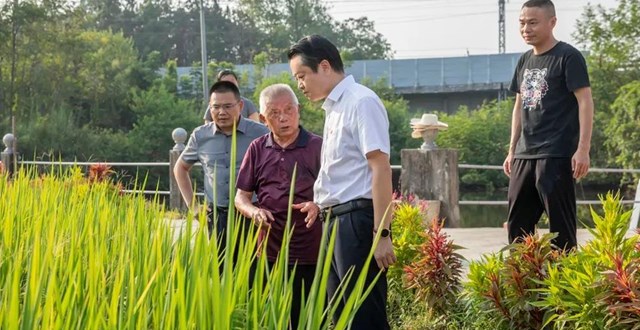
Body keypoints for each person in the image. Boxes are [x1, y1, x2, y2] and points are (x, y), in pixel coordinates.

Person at [288, 35, 396, 330]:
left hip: (357, 223)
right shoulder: (335, 108)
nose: (300, 84)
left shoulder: (361, 102)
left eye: (302, 76)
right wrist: (319, 202)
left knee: (364, 315)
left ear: (324, 66)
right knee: (341, 314)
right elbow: (345, 172)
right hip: (334, 221)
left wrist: (382, 234)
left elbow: (381, 168)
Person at [503, 0, 594, 252]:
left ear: (552, 22)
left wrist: (583, 149)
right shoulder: (523, 61)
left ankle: (562, 287)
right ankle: (522, 285)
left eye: (533, 22)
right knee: (517, 228)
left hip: (556, 153)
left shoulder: (568, 56)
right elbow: (518, 108)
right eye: (522, 23)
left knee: (560, 231)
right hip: (524, 154)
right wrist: (512, 150)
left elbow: (585, 102)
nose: (526, 29)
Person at [235, 83, 323, 329]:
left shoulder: (318, 147)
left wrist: (318, 205)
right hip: (269, 249)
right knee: (273, 317)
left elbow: (337, 191)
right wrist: (254, 211)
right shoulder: (257, 148)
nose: (283, 117)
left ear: (299, 110)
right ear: (263, 119)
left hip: (310, 249)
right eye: (274, 113)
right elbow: (241, 197)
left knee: (309, 318)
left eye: (289, 110)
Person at [175, 80, 269, 244]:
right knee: (219, 266)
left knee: (253, 267)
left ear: (240, 106)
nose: (221, 112)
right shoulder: (201, 136)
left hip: (252, 213)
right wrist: (193, 207)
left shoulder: (260, 133)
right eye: (216, 107)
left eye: (227, 106)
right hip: (216, 215)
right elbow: (180, 169)